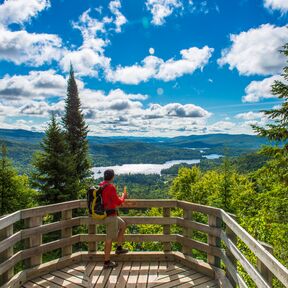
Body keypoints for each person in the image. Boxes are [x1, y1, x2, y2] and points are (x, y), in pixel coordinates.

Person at [100, 169, 128, 268]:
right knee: (109, 239)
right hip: (110, 216)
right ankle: (106, 262)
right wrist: (123, 196)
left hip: (106, 214)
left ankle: (119, 247)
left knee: (123, 225)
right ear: (112, 177)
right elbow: (118, 202)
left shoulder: (101, 185)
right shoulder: (110, 187)